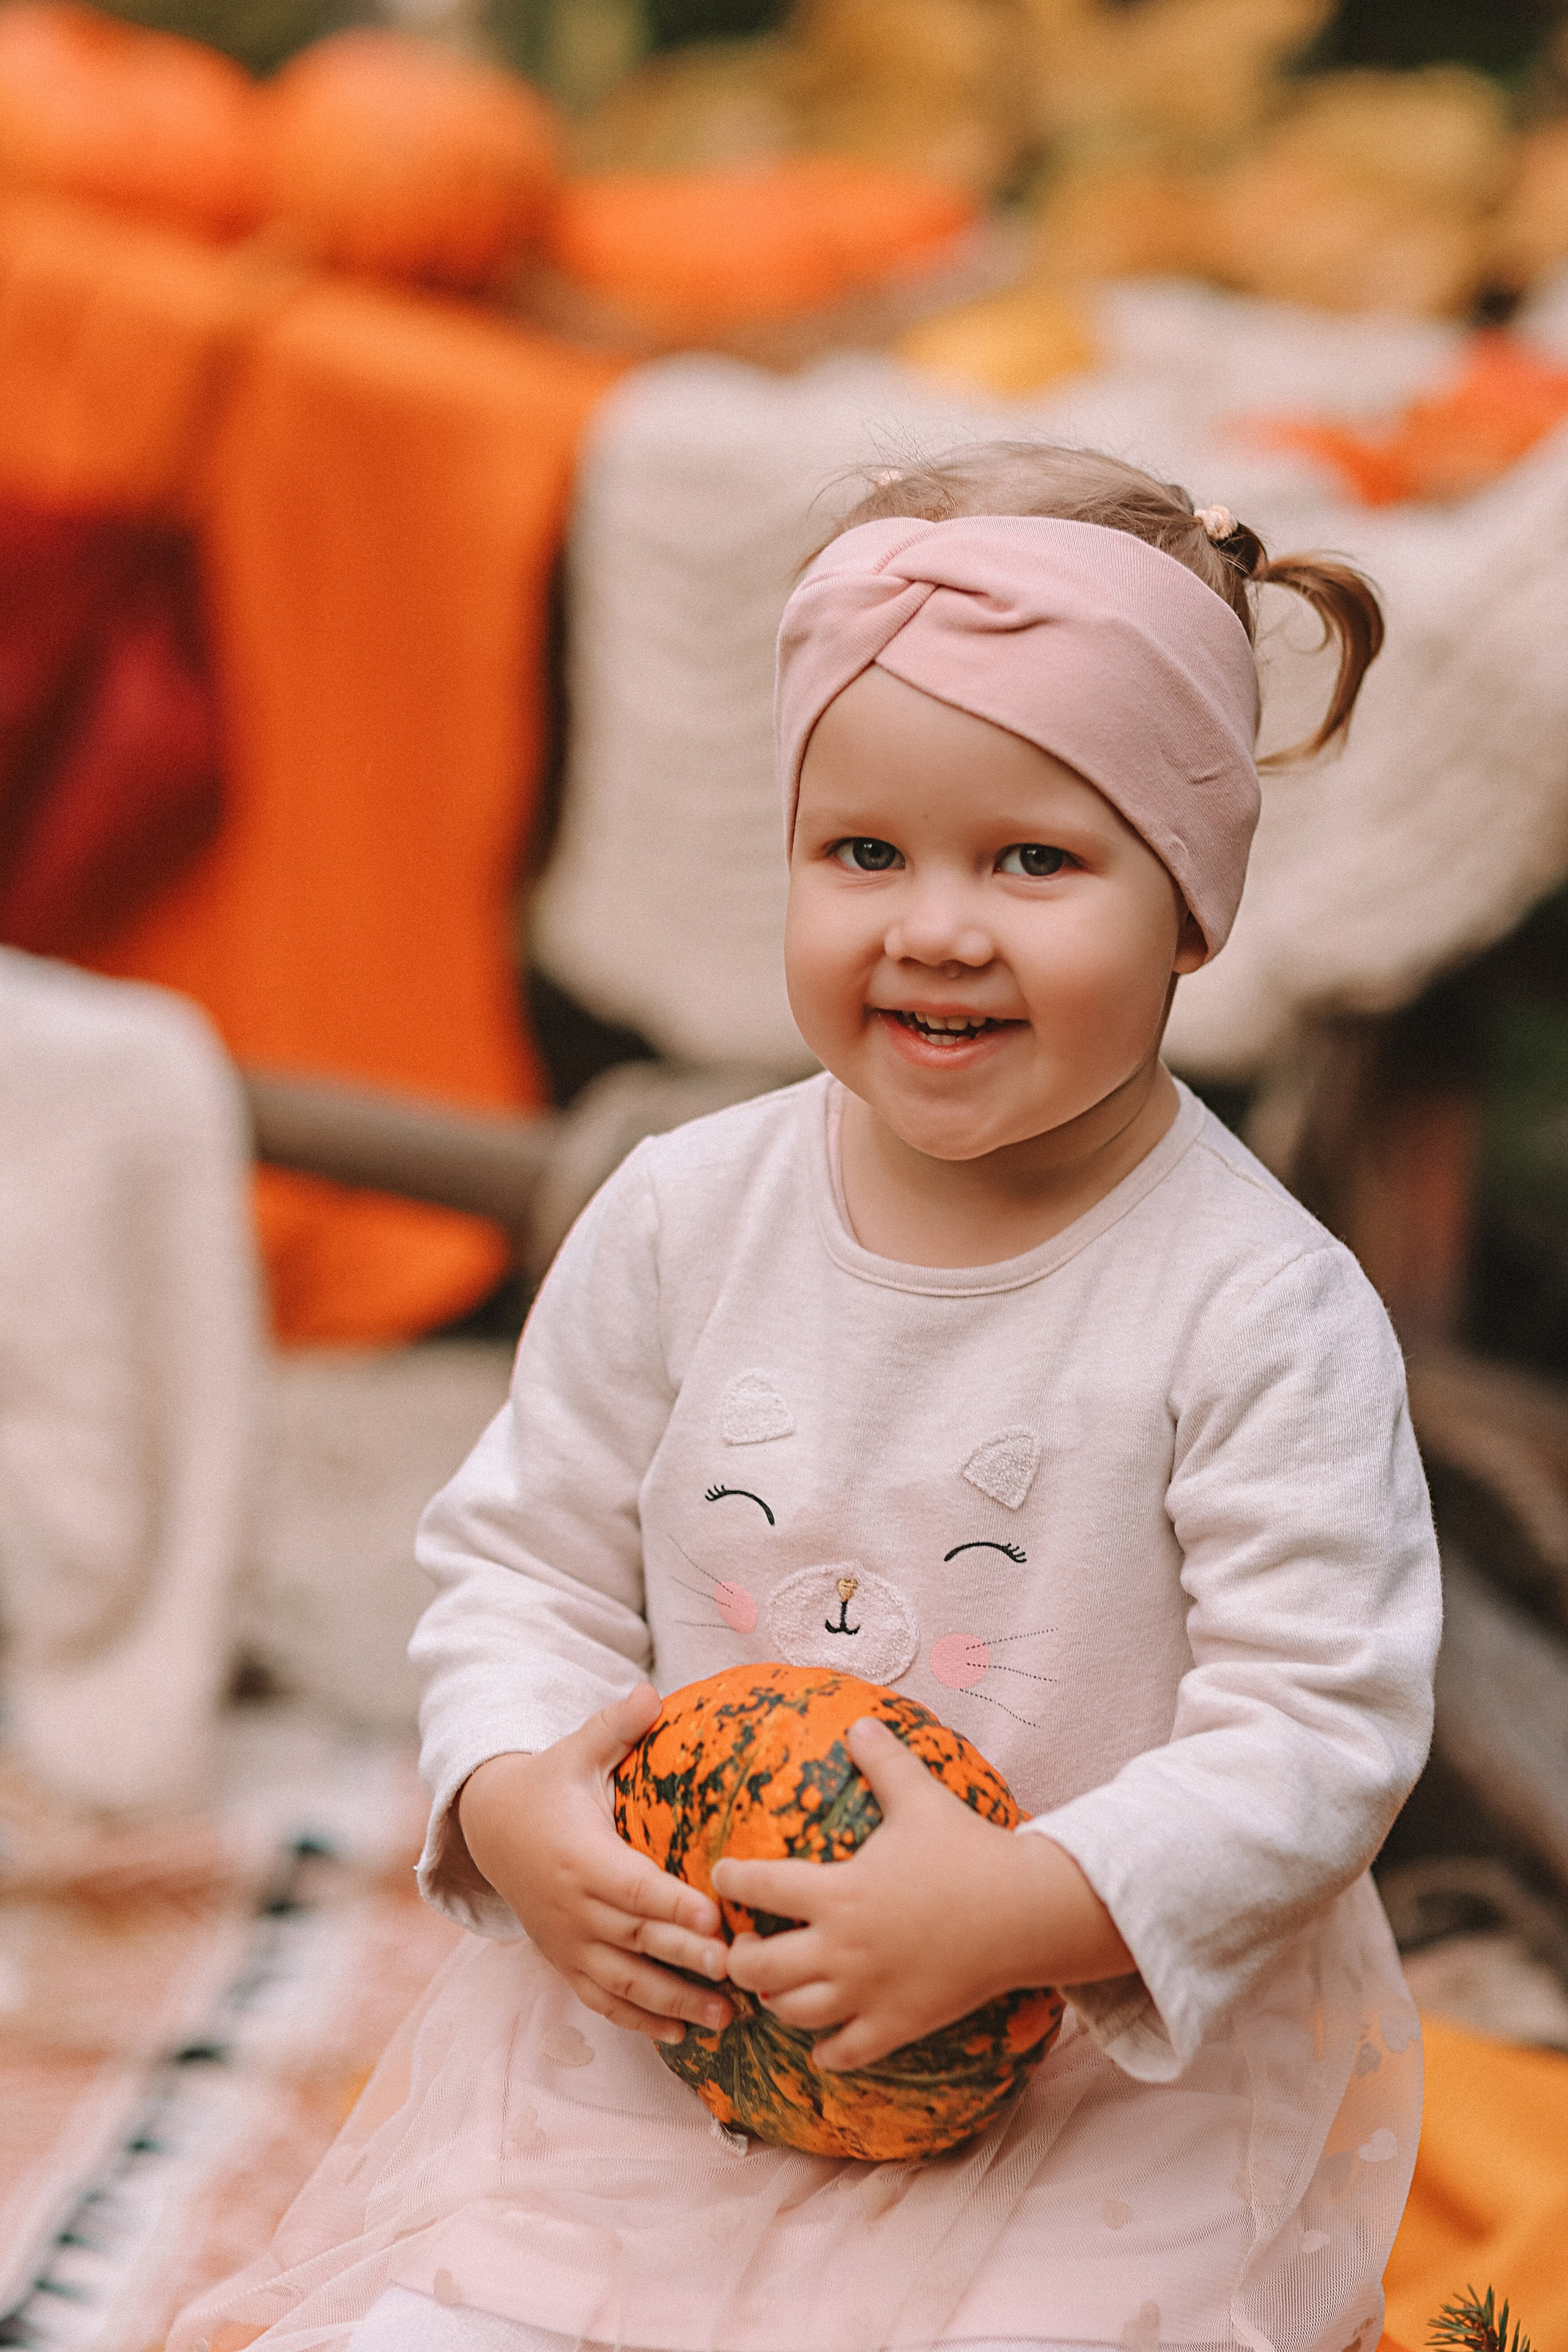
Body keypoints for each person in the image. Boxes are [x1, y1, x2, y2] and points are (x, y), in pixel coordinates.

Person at [172, 445, 1439, 2352]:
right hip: (686, 2031)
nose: (935, 924)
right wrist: (515, 1795)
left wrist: (1021, 1910)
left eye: (1034, 858)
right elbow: (523, 1564)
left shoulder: (1259, 1308)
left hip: (1095, 2083)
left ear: (1190, 904)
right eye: (864, 852)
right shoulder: (685, 1216)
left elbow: (1321, 1722)